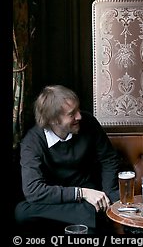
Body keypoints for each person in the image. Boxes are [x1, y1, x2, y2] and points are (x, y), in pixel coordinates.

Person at [15, 85, 121, 234]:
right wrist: (81, 193)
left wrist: (109, 196)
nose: (79, 116)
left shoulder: (88, 123)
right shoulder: (32, 142)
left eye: (78, 109)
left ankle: (87, 216)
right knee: (22, 213)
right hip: (56, 201)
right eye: (72, 114)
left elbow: (109, 159)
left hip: (89, 198)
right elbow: (33, 191)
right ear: (53, 120)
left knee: (97, 210)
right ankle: (87, 216)